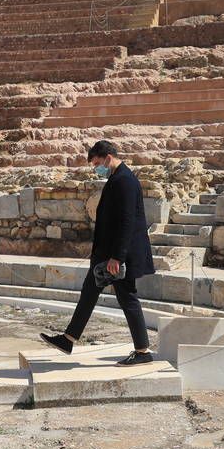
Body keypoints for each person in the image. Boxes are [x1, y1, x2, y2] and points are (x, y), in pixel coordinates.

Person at [40, 140, 156, 365]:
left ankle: (143, 352)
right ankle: (68, 339)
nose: (96, 169)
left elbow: (126, 222)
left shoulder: (124, 180)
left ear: (107, 158)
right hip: (109, 254)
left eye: (96, 164)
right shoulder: (118, 177)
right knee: (90, 291)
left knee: (128, 298)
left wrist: (118, 257)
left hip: (119, 255)